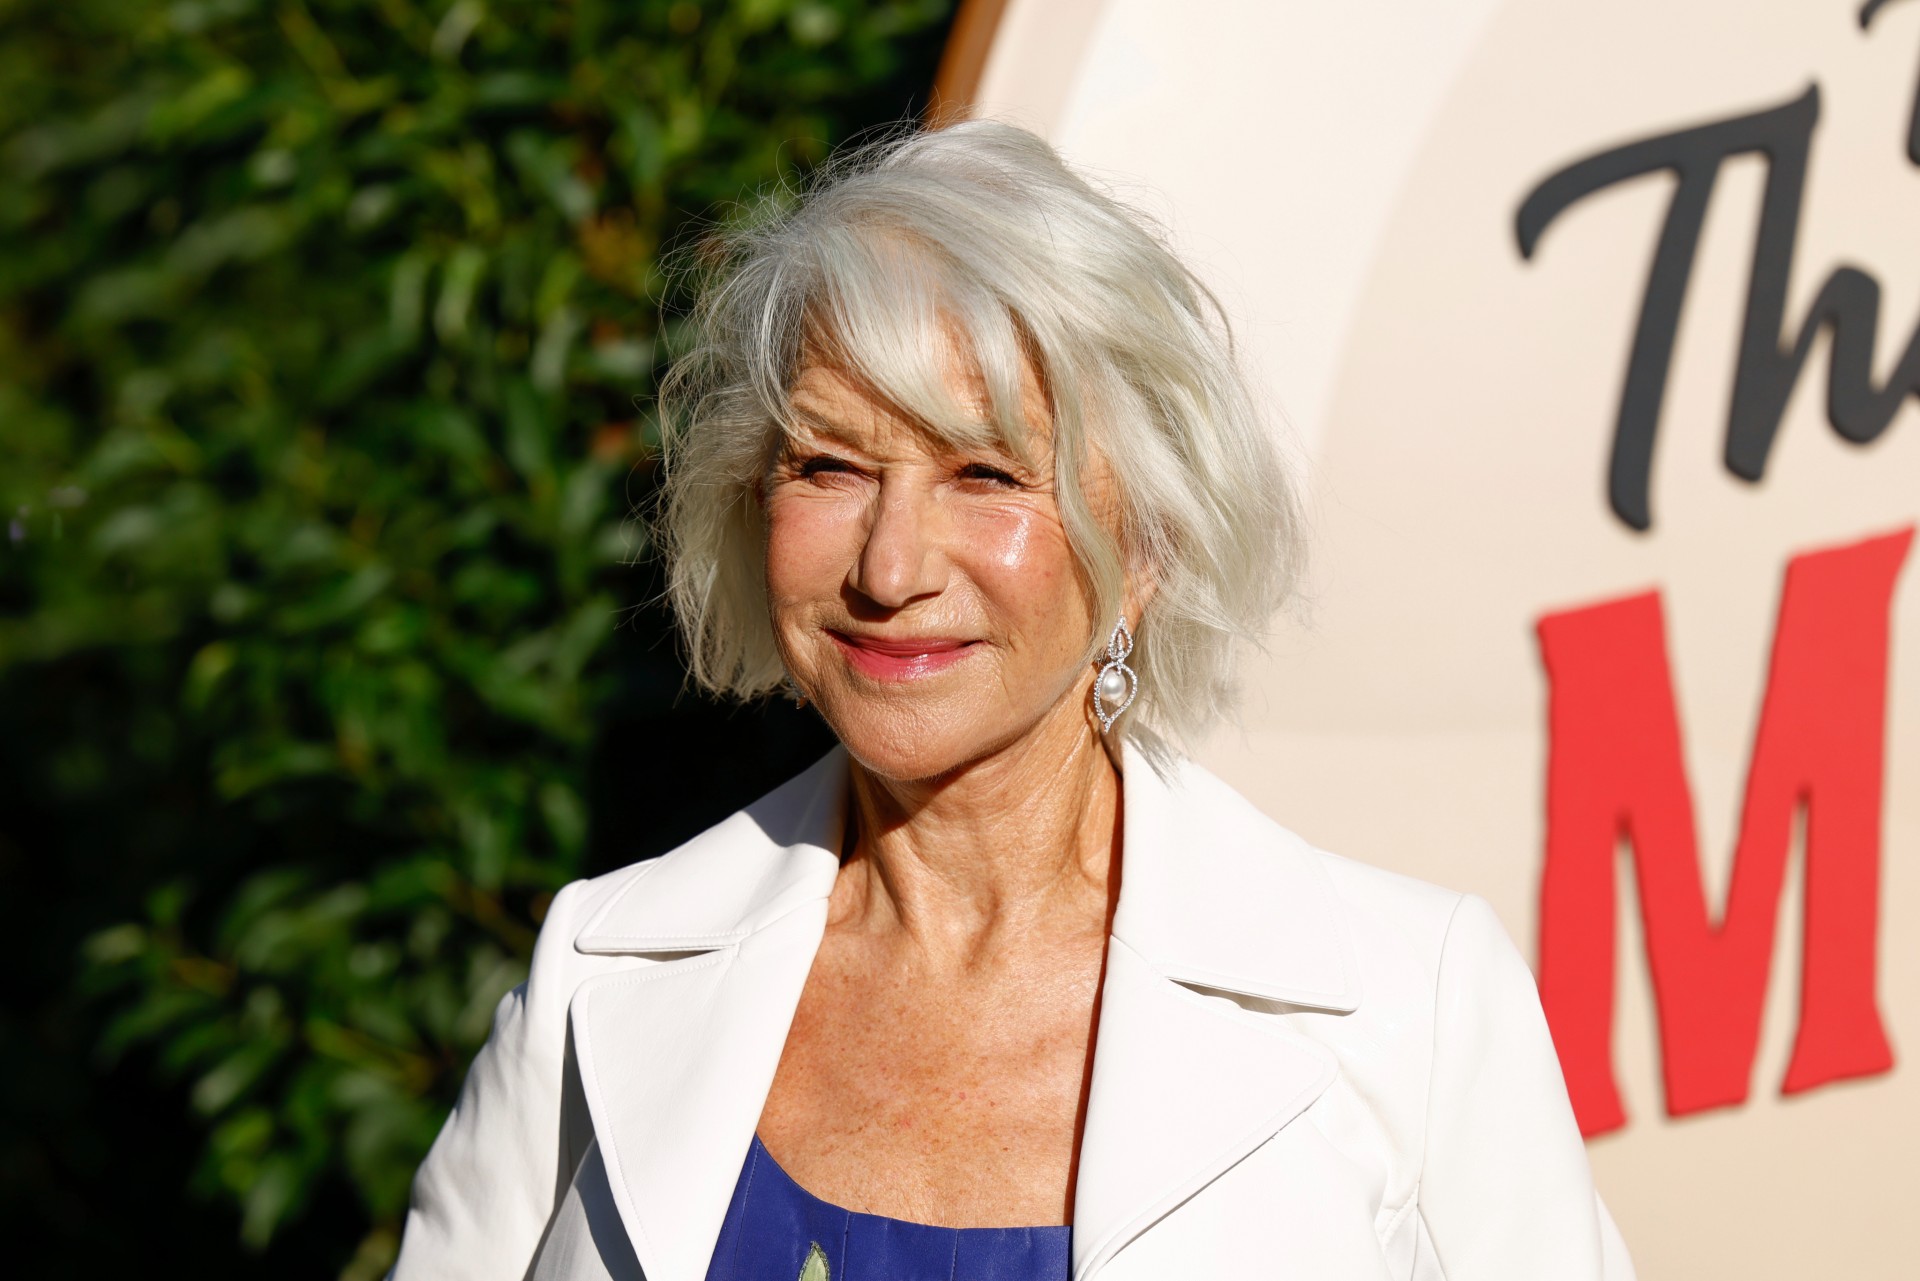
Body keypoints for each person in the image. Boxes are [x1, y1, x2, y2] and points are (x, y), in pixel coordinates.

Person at [389, 120, 1634, 1281]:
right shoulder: (597, 972)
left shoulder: (1410, 1007)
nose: (889, 570)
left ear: (1144, 544)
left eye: (986, 473)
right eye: (829, 465)